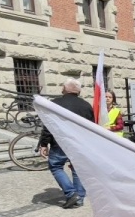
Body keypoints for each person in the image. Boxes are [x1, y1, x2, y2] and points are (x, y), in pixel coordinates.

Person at [38, 79, 94, 209]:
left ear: (64, 88)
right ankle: (79, 198)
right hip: (80, 143)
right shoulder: (86, 105)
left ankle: (71, 193)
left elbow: (48, 125)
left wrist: (44, 143)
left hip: (60, 142)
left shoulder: (55, 104)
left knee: (55, 166)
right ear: (79, 91)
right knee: (78, 168)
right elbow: (91, 127)